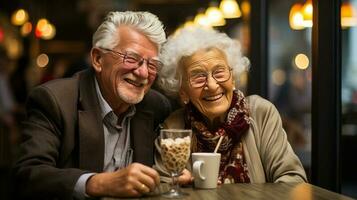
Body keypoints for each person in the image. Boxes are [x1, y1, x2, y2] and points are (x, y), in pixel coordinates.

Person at [13, 11, 172, 199]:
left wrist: (173, 176)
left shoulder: (156, 106)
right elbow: (28, 175)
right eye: (131, 58)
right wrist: (97, 182)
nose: (144, 73)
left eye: (153, 65)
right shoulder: (54, 100)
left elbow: (162, 169)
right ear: (98, 59)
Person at [154, 27, 307, 185]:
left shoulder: (260, 113)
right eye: (198, 77)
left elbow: (293, 179)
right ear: (183, 92)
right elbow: (164, 185)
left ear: (232, 79)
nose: (212, 86)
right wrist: (183, 186)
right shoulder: (173, 128)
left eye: (219, 72)